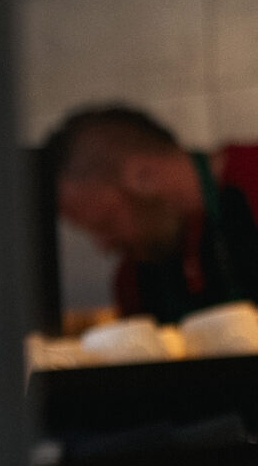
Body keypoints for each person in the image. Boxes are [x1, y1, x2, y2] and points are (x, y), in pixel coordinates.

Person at [47, 104, 258, 322]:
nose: (104, 246)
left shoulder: (251, 178)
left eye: (105, 224)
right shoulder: (132, 281)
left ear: (143, 177)